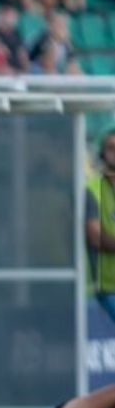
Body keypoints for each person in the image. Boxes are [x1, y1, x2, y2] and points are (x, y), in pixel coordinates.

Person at [87, 130, 115, 325]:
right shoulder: (92, 188)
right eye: (111, 148)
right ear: (102, 154)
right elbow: (95, 237)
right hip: (107, 289)